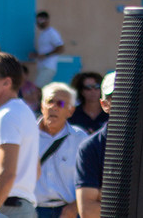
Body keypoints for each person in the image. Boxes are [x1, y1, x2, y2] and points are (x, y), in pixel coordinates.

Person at [0, 52, 40, 218]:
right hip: (15, 207)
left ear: (6, 82)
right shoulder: (20, 111)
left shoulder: (8, 115)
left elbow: (7, 173)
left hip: (7, 208)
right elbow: (36, 169)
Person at [35, 82, 86, 218]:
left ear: (70, 111)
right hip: (33, 211)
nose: (54, 107)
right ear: (42, 106)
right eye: (50, 102)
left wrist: (75, 207)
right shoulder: (27, 136)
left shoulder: (80, 138)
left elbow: (91, 178)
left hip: (68, 212)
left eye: (61, 104)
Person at [73, 72, 117, 218]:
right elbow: (88, 210)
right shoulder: (90, 147)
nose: (126, 102)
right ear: (105, 104)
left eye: (131, 95)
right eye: (116, 97)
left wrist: (106, 195)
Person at [28, 12, 65, 88]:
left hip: (48, 66)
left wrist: (46, 55)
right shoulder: (43, 34)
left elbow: (60, 48)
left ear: (47, 20)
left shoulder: (52, 33)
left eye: (41, 20)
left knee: (37, 88)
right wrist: (36, 55)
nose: (39, 23)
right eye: (37, 21)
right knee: (42, 89)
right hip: (41, 66)